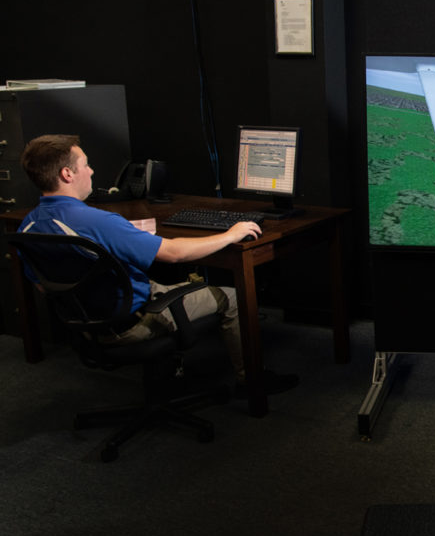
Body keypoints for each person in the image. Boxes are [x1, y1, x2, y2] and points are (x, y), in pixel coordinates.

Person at [18, 134, 298, 397]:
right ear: (67, 174)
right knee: (235, 297)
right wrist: (231, 234)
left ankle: (168, 371)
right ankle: (252, 382)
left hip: (88, 325)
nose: (91, 171)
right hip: (133, 322)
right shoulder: (97, 221)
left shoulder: (27, 226)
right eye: (85, 164)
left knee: (161, 283)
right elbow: (174, 253)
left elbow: (45, 287)